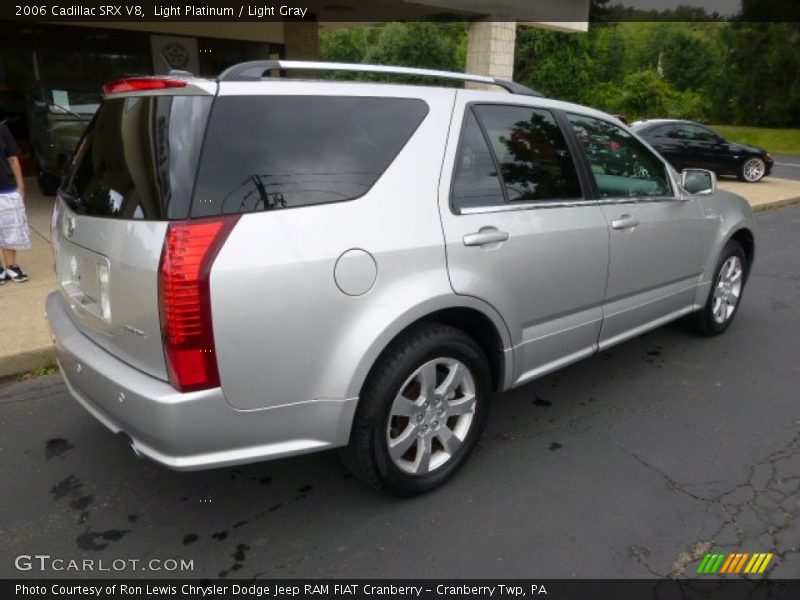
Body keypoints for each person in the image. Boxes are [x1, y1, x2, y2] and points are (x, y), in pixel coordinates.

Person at [0, 120, 30, 283]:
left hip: (6, 188)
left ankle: (11, 266)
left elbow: (12, 158)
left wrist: (20, 185)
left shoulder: (2, 129)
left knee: (10, 229)